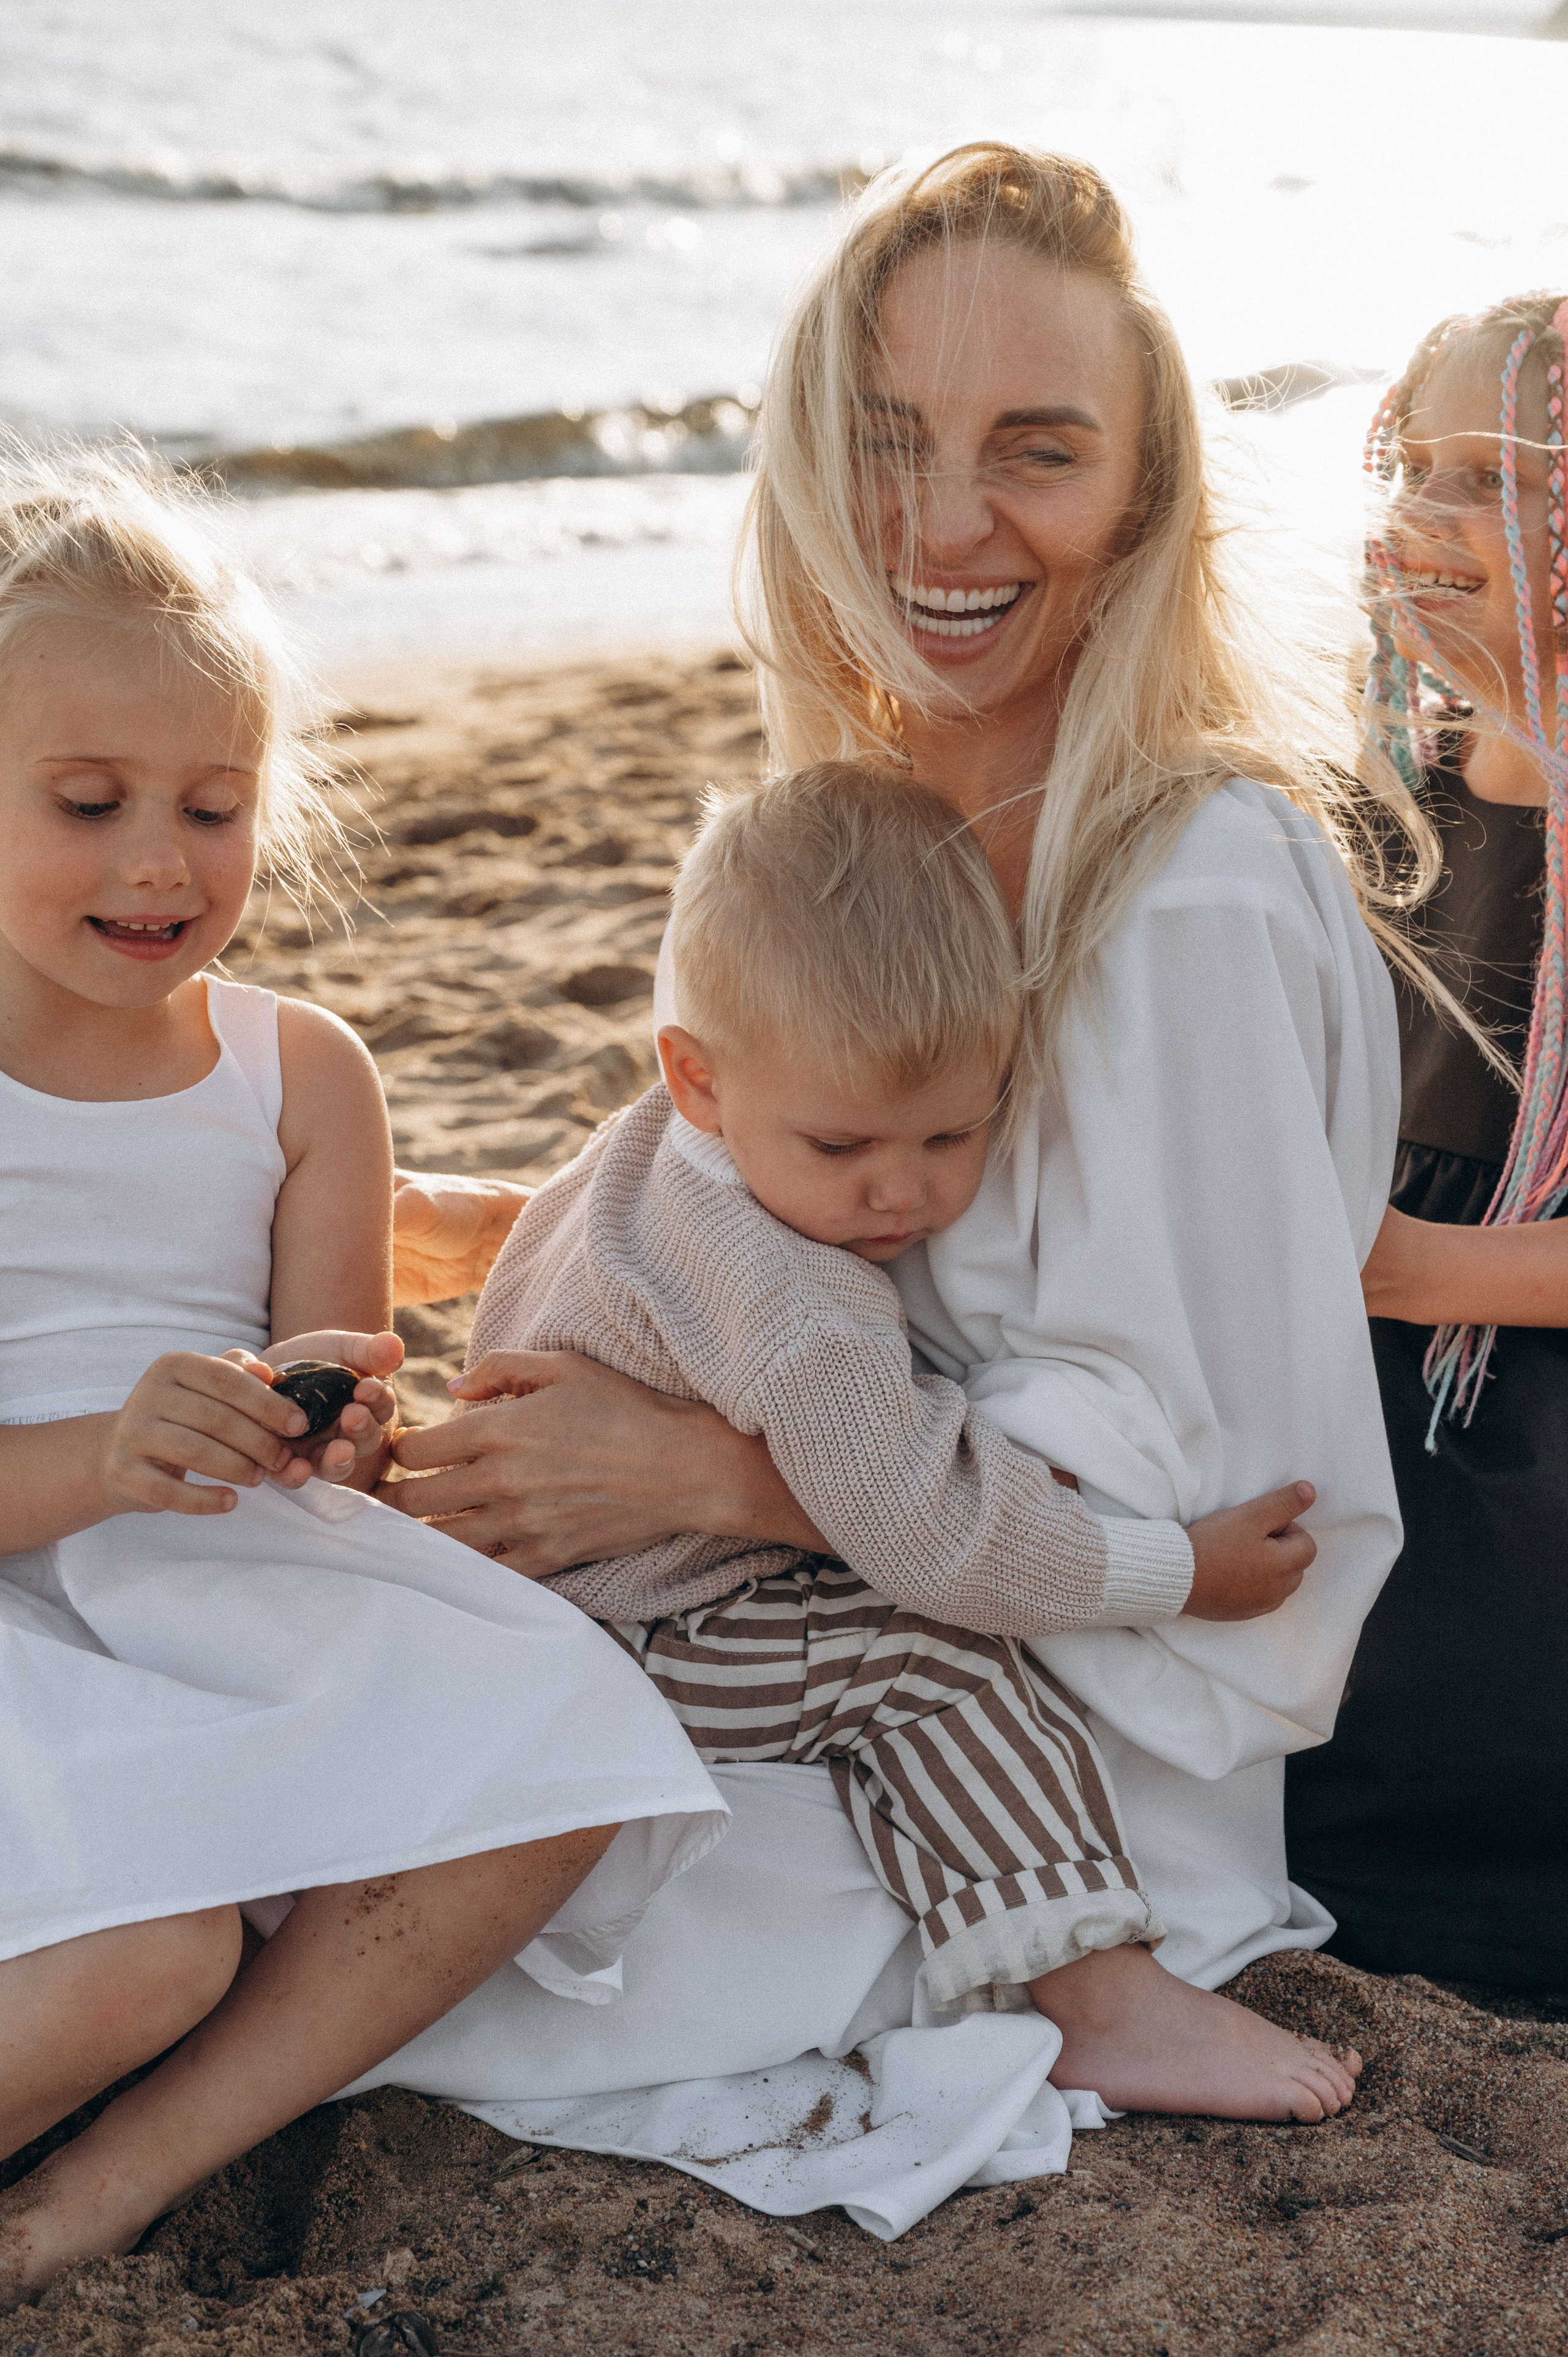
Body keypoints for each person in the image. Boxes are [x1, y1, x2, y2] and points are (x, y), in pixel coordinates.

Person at [379, 143, 1406, 2141]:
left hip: (1053, 1754)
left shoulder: (1194, 883)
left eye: (1035, 447)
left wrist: (724, 1479)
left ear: (1141, 494)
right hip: (818, 1613)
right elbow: (851, 1231)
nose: (944, 521)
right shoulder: (849, 830)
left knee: (420, 1934)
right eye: (884, 438)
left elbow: (1237, 1489)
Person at [0, 457, 725, 2304]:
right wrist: (104, 1452)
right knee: (142, 1960)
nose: (161, 861)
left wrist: (334, 1412)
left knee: (562, 1746)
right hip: (22, 1578)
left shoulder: (301, 1069)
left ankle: (102, 2189)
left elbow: (339, 1395)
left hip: (222, 1562)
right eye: (88, 805)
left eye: (214, 807)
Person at [456, 759, 1341, 2104]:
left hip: (571, 1605)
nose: (900, 1192)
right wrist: (1176, 1568)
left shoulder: (651, 1147)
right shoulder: (801, 1300)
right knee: (932, 1659)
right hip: (647, 1641)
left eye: (952, 1133)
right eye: (842, 1145)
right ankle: (1100, 1994)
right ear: (693, 1078)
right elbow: (935, 1540)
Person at [1287, 292, 1568, 1993]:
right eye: (1418, 467)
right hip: (1367, 1354)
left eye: (1502, 475)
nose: (1423, 518)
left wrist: (1406, 1266)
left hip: (1506, 1357)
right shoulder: (1382, 788)